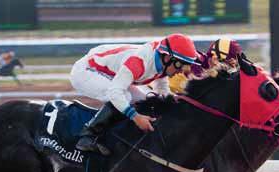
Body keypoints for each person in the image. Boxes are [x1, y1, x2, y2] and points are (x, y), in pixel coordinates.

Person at [70, 33, 200, 155]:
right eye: (181, 65)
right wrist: (136, 117)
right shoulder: (139, 62)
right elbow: (115, 93)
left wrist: (176, 102)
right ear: (167, 58)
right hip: (86, 71)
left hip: (109, 69)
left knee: (148, 98)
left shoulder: (161, 60)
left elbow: (161, 90)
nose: (182, 71)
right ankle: (88, 136)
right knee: (124, 97)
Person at [169, 38, 243, 94]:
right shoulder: (193, 67)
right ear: (215, 59)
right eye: (229, 64)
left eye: (234, 65)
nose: (231, 69)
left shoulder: (207, 67)